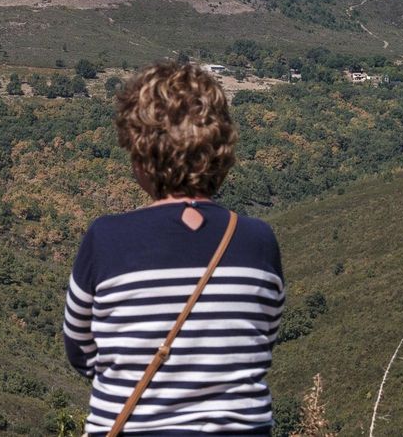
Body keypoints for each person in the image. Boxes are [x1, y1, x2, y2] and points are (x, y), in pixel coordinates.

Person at [63, 61, 284, 435]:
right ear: (222, 150)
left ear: (139, 156)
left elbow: (81, 350)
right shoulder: (258, 241)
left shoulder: (106, 239)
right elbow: (264, 338)